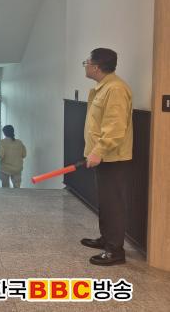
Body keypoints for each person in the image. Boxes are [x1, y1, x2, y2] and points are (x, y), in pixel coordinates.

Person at [80, 48, 133, 266]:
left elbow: (115, 128)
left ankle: (115, 251)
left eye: (86, 62)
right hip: (103, 157)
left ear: (96, 67)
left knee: (113, 204)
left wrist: (98, 151)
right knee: (105, 201)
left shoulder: (115, 89)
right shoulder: (103, 88)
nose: (85, 66)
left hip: (112, 158)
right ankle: (106, 239)